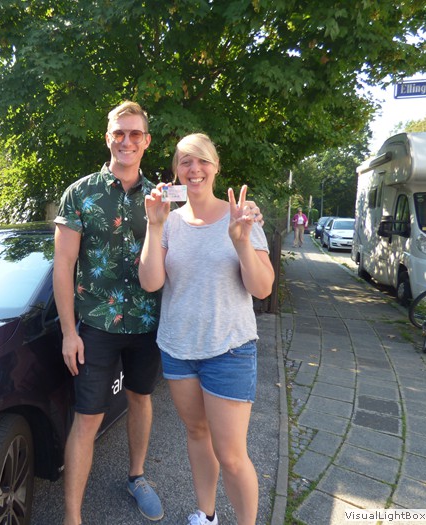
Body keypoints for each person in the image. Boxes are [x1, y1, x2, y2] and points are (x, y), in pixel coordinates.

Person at [138, 133, 275, 525]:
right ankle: (207, 515)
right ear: (176, 170)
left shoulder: (241, 217)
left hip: (229, 349)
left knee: (231, 455)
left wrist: (241, 242)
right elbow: (150, 282)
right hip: (178, 348)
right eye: (185, 161)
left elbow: (262, 288)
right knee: (197, 433)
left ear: (215, 167)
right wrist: (154, 226)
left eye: (202, 161)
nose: (194, 169)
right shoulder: (168, 221)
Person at [53, 101, 164, 524]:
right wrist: (69, 332)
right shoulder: (80, 193)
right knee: (87, 419)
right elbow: (63, 265)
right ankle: (73, 517)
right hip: (96, 325)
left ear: (146, 141)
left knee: (141, 398)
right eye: (119, 133)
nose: (126, 141)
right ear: (108, 138)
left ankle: (137, 477)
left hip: (146, 322)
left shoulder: (161, 198)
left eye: (135, 134)